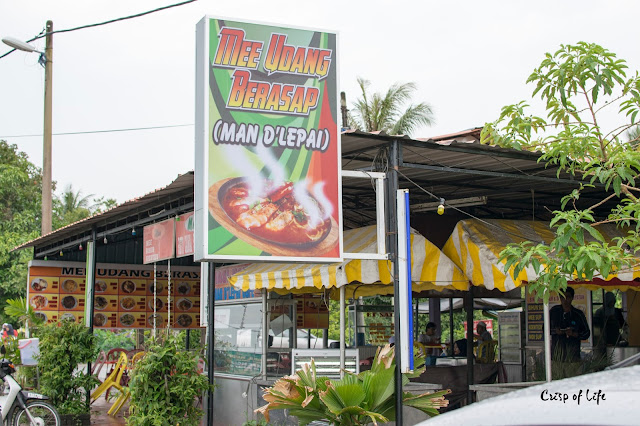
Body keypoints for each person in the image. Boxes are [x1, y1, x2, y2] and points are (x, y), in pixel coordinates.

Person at [550, 287, 590, 375]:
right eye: (563, 297)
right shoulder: (554, 311)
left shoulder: (578, 314)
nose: (565, 300)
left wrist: (574, 334)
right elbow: (544, 329)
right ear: (560, 298)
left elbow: (587, 333)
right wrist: (556, 331)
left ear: (572, 298)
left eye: (568, 297)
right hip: (557, 358)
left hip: (573, 358)